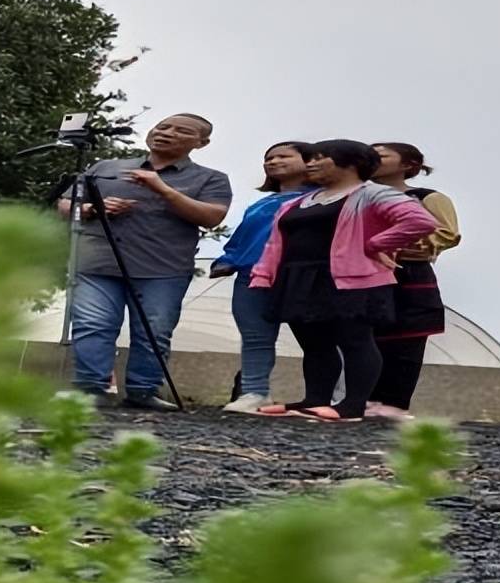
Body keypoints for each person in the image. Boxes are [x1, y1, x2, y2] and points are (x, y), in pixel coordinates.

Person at [251, 140, 436, 422]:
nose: (310, 164)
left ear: (351, 163)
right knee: (314, 342)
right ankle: (314, 399)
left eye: (320, 158)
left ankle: (352, 405)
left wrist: (376, 244)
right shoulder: (297, 202)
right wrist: (264, 275)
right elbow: (275, 244)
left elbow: (419, 221)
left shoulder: (373, 194)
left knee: (355, 339)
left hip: (351, 277)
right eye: (310, 159)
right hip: (298, 276)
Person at [61, 113, 232, 410]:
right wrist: (90, 208)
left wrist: (162, 189)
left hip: (162, 268)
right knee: (92, 324)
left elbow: (212, 216)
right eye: (163, 127)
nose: (167, 133)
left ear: (201, 143)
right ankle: (90, 389)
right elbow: (65, 204)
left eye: (181, 131)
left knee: (154, 330)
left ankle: (143, 391)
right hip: (97, 261)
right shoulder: (106, 167)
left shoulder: (211, 178)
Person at [209, 141, 315, 414]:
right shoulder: (262, 203)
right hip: (252, 274)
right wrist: (227, 260)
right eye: (269, 157)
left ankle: (333, 395)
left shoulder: (324, 198)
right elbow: (243, 239)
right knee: (255, 336)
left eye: (284, 156)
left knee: (319, 339)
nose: (273, 161)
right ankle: (254, 392)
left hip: (300, 275)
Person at [365, 142, 461, 421]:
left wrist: (395, 245)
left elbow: (446, 233)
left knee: (405, 342)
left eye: (381, 155)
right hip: (359, 273)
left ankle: (393, 404)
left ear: (408, 164)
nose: (372, 159)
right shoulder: (354, 196)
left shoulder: (427, 197)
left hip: (408, 274)